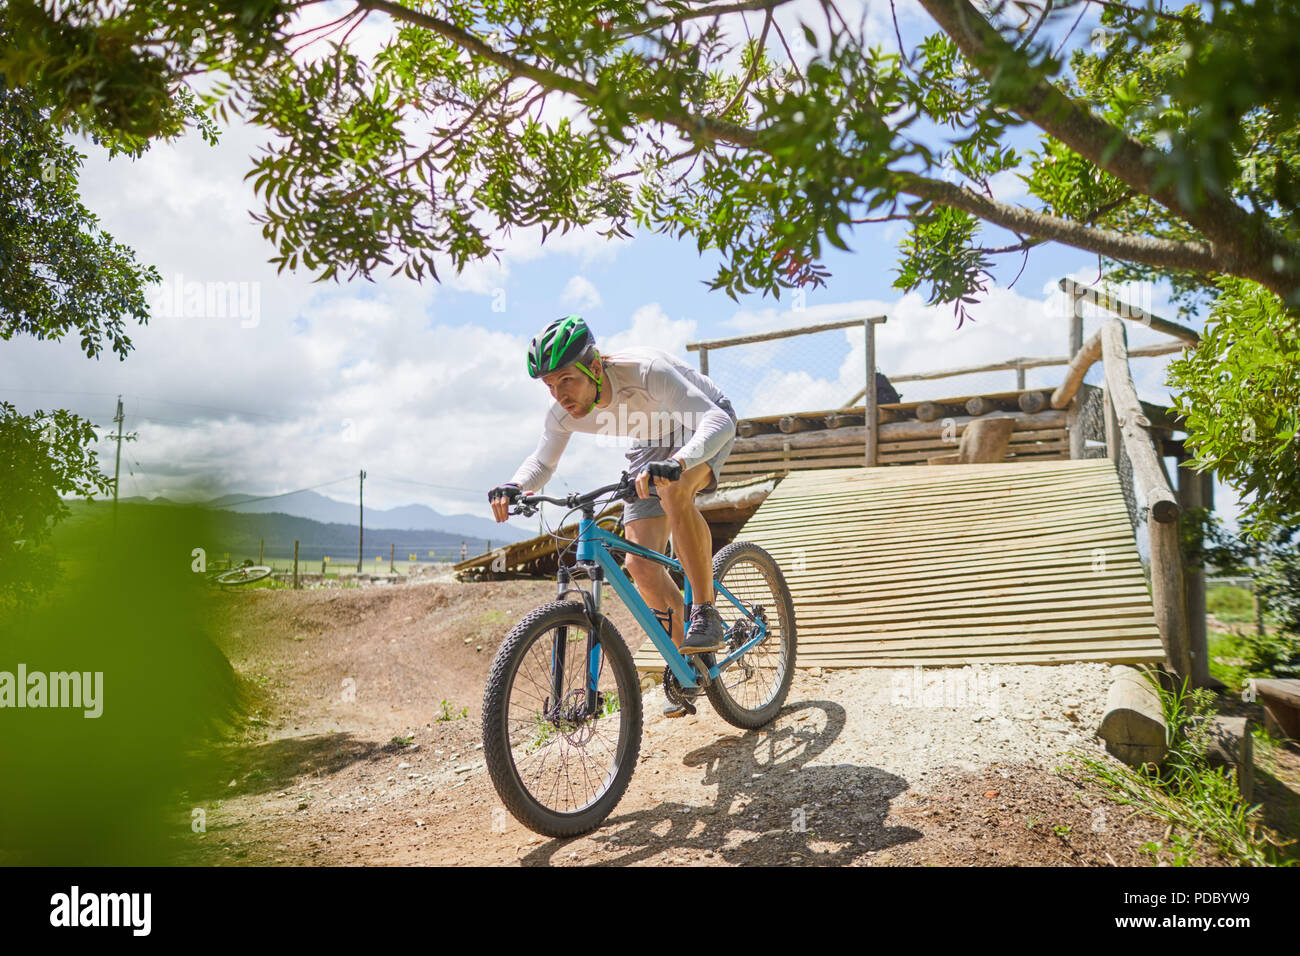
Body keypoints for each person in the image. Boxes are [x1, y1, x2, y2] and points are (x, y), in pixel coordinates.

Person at [489, 315, 739, 717]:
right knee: (640, 566)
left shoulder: (646, 372)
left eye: (566, 379)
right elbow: (543, 461)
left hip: (702, 426)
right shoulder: (563, 414)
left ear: (595, 364)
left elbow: (718, 421)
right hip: (650, 446)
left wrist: (679, 461)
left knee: (674, 491)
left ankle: (705, 610)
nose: (559, 395)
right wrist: (515, 486)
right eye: (549, 386)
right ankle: (689, 663)